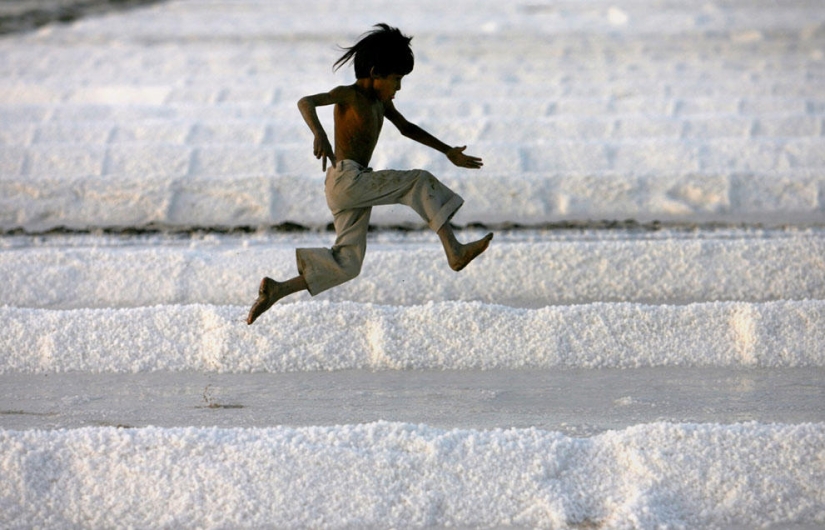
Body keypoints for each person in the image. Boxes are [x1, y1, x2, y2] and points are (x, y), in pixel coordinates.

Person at [247, 23, 493, 325]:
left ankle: (277, 290)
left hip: (349, 185)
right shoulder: (350, 96)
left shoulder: (381, 102)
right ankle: (454, 251)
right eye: (396, 79)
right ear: (376, 73)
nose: (399, 87)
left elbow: (407, 128)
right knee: (418, 181)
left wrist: (447, 151)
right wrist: (319, 133)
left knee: (348, 263)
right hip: (347, 179)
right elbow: (305, 102)